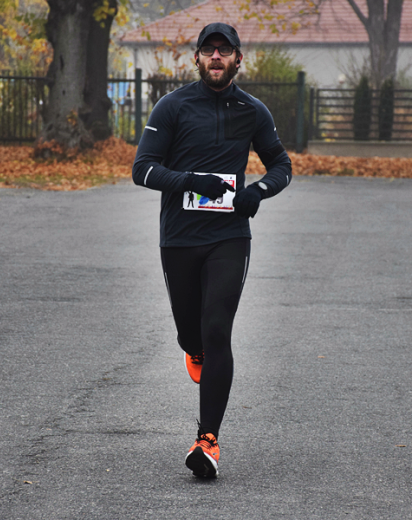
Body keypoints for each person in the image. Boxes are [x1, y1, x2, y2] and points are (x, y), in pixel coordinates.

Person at [131, 22, 292, 478]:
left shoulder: (252, 110)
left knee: (218, 329)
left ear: (239, 59)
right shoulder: (173, 106)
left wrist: (258, 192)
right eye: (209, 50)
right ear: (196, 59)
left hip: (229, 237)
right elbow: (142, 170)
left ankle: (207, 440)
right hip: (180, 238)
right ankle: (192, 347)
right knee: (192, 333)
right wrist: (188, 181)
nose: (216, 56)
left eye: (225, 50)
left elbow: (281, 164)